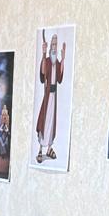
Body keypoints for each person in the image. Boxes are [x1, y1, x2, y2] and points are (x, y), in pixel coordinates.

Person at [36, 31, 66, 163]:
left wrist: (63, 59)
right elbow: (43, 74)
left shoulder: (56, 62)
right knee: (45, 119)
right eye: (52, 44)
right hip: (48, 95)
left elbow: (59, 78)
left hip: (54, 96)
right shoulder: (47, 61)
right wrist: (43, 54)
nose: (54, 46)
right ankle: (40, 149)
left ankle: (49, 148)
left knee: (51, 121)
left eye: (55, 44)